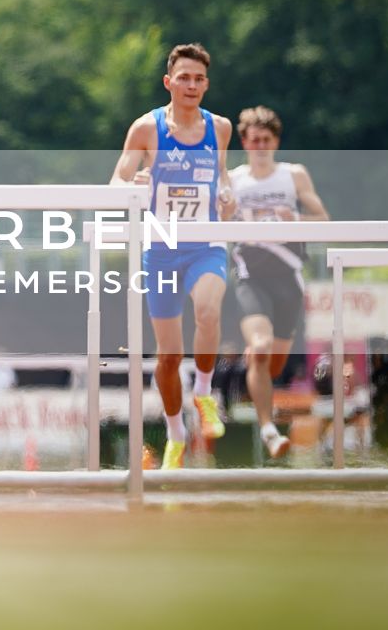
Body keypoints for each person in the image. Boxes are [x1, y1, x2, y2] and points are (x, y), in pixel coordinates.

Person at [110, 42, 237, 470]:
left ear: (207, 84)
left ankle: (203, 392)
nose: (191, 85)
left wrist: (228, 194)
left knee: (208, 311)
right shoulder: (147, 129)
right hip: (161, 249)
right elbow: (116, 180)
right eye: (183, 77)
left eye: (199, 78)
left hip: (206, 244)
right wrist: (134, 181)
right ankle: (175, 432)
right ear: (168, 82)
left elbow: (221, 179)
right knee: (167, 357)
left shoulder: (219, 127)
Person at [227, 106, 329, 461]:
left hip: (287, 278)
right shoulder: (233, 179)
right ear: (244, 141)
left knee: (274, 362)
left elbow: (323, 219)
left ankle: (251, 374)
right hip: (250, 275)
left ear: (276, 142)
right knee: (260, 345)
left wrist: (295, 217)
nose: (259, 146)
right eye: (254, 140)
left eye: (266, 140)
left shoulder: (293, 175)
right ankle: (269, 430)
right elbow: (216, 219)